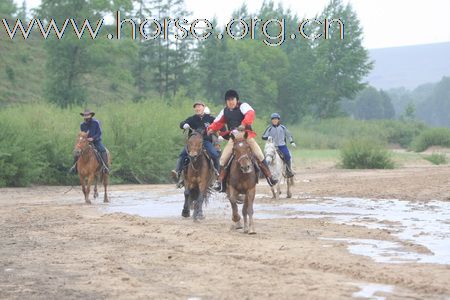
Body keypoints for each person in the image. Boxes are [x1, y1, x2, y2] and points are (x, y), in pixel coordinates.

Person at [208, 89, 278, 192]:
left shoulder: (243, 106)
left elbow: (250, 113)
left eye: (232, 99)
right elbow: (217, 122)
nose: (230, 102)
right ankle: (220, 182)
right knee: (223, 159)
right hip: (233, 138)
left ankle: (270, 177)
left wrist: (244, 124)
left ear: (237, 100)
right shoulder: (225, 111)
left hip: (246, 136)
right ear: (226, 101)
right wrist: (210, 129)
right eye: (228, 100)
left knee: (259, 154)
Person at [171, 101, 220, 187]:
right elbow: (181, 124)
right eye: (196, 107)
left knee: (215, 155)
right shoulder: (192, 118)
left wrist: (221, 134)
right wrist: (184, 125)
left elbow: (220, 124)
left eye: (199, 106)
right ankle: (178, 172)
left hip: (205, 141)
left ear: (203, 107)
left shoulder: (210, 118)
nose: (197, 108)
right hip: (193, 143)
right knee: (183, 154)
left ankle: (217, 176)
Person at [69, 109, 109, 174]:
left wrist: (93, 138)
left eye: (87, 115)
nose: (86, 116)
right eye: (85, 115)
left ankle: (105, 167)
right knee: (77, 150)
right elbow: (83, 134)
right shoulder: (82, 125)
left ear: (91, 115)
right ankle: (74, 167)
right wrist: (83, 139)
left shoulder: (96, 122)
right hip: (85, 141)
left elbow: (99, 132)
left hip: (96, 140)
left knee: (102, 150)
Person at [262, 113, 296, 178]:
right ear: (271, 120)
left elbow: (288, 135)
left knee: (287, 156)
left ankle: (288, 170)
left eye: (276, 119)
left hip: (282, 146)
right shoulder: (269, 128)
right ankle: (264, 172)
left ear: (278, 120)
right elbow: (263, 136)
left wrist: (291, 142)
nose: (275, 121)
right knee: (266, 157)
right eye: (273, 119)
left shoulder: (283, 128)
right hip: (272, 146)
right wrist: (268, 137)